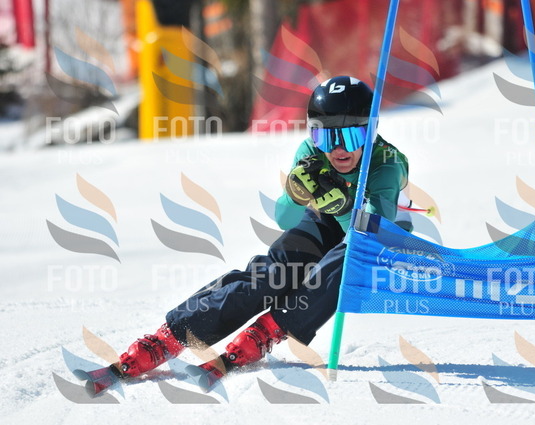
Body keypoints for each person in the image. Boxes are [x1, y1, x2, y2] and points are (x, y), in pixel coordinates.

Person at [108, 76, 409, 385]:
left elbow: (368, 234)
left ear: (371, 131)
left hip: (376, 234)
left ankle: (271, 328)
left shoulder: (386, 165)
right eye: (326, 137)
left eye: (351, 136)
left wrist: (343, 208)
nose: (338, 149)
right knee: (275, 271)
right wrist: (294, 195)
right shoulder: (310, 152)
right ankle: (173, 334)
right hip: (326, 218)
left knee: (342, 264)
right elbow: (285, 219)